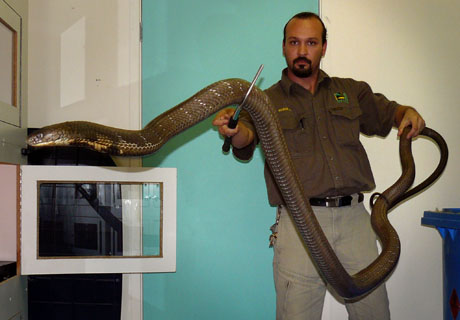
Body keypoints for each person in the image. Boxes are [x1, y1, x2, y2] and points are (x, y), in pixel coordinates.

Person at [212, 12, 425, 320]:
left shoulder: (351, 91)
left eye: (311, 43)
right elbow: (245, 136)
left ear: (324, 47)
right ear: (283, 47)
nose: (302, 51)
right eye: (294, 42)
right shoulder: (265, 101)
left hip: (355, 222)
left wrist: (408, 112)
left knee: (375, 314)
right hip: (299, 224)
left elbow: (391, 112)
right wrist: (234, 133)